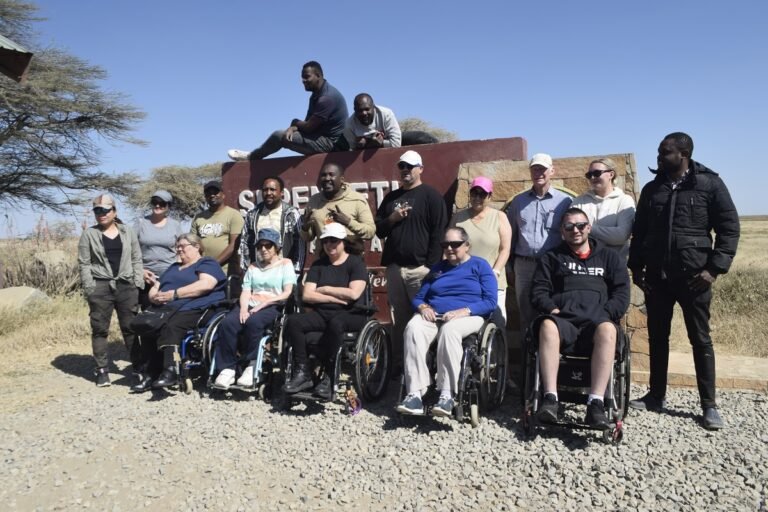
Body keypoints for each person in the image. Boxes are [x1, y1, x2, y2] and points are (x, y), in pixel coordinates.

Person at [628, 132, 740, 430]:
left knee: (700, 339)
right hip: (657, 278)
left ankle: (709, 406)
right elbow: (640, 232)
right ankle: (656, 396)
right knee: (657, 337)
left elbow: (729, 229)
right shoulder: (653, 189)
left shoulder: (709, 184)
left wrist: (714, 269)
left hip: (695, 278)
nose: (659, 157)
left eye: (665, 152)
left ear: (683, 154)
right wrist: (636, 269)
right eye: (659, 151)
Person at [530, 208, 630, 429]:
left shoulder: (608, 257)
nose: (575, 230)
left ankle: (595, 404)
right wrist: (551, 309)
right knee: (546, 325)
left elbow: (622, 292)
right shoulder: (552, 257)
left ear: (589, 228)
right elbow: (538, 291)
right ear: (562, 231)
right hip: (563, 320)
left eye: (581, 225)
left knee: (608, 329)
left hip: (596, 323)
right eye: (569, 227)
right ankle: (550, 398)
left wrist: (607, 314)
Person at [396, 227, 497, 417]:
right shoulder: (438, 268)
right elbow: (419, 298)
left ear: (467, 246)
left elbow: (490, 302)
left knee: (449, 330)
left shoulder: (480, 266)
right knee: (413, 327)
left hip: (469, 316)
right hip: (436, 316)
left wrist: (464, 311)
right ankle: (416, 393)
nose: (449, 248)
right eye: (445, 245)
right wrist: (424, 308)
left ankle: (447, 394)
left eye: (455, 244)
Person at [375, 150, 448, 374]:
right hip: (395, 269)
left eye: (410, 166)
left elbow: (439, 233)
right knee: (400, 320)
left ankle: (425, 366)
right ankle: (400, 365)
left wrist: (431, 267)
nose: (405, 170)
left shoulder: (431, 196)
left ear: (420, 169)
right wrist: (393, 218)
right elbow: (378, 229)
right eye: (402, 166)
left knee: (424, 319)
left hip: (420, 270)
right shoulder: (390, 198)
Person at [282, 223, 369, 400]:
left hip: (352, 314)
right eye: (326, 241)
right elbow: (307, 295)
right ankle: (303, 372)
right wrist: (336, 298)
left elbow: (354, 294)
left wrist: (325, 289)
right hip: (324, 312)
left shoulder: (356, 263)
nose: (330, 245)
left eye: (334, 241)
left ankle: (330, 377)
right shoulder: (318, 265)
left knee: (336, 324)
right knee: (293, 321)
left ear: (343, 242)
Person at [131, 233, 227, 392]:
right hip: (167, 308)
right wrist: (154, 297)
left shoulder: (206, 263)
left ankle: (171, 370)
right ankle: (150, 374)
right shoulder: (173, 267)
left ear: (197, 247)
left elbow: (206, 284)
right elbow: (156, 286)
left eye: (183, 246)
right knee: (148, 326)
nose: (179, 250)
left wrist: (175, 294)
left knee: (172, 325)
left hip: (198, 307)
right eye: (178, 247)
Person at [214, 228, 296, 390]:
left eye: (268, 246)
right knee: (228, 323)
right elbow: (246, 291)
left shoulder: (285, 264)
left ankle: (250, 366)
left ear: (277, 247)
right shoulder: (252, 267)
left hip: (273, 304)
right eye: (260, 246)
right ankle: (227, 369)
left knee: (254, 323)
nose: (263, 249)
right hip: (250, 303)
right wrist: (243, 308)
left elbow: (287, 292)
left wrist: (263, 304)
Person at [78, 193, 143, 387]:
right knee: (99, 329)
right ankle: (102, 370)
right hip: (100, 286)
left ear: (114, 211)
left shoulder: (127, 231)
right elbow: (84, 263)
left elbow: (136, 258)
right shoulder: (89, 234)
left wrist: (137, 282)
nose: (102, 214)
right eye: (98, 210)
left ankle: (138, 369)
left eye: (106, 210)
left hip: (126, 285)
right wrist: (90, 287)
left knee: (130, 329)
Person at [506, 153, 572, 336]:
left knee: (552, 312)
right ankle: (528, 361)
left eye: (542, 169)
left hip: (552, 265)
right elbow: (511, 236)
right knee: (525, 315)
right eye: (535, 169)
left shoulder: (565, 202)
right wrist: (509, 267)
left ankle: (547, 359)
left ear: (552, 171)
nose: (539, 173)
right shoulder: (519, 202)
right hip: (524, 265)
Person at [228, 61, 348, 160]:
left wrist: (294, 122)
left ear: (318, 76)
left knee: (280, 136)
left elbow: (308, 127)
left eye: (307, 77)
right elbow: (307, 124)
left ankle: (252, 157)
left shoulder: (326, 98)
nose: (303, 80)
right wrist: (293, 127)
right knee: (287, 134)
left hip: (332, 145)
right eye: (302, 77)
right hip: (320, 137)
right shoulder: (316, 95)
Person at [450, 176, 512, 322]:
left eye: (482, 194)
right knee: (466, 321)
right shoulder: (458, 218)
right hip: (465, 280)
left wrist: (495, 272)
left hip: (493, 281)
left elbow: (505, 249)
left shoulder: (499, 217)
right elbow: (449, 248)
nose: (477, 197)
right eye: (474, 193)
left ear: (490, 196)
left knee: (497, 322)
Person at [300, 162, 375, 255]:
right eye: (323, 175)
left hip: (351, 260)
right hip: (324, 262)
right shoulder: (314, 201)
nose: (327, 179)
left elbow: (370, 232)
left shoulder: (356, 199)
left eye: (331, 175)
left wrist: (348, 222)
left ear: (342, 179)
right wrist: (305, 228)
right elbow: (308, 238)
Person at [239, 176, 305, 275]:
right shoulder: (252, 214)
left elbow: (300, 244)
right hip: (259, 274)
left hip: (284, 273)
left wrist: (295, 273)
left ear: (281, 192)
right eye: (265, 190)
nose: (268, 193)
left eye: (272, 189)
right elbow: (244, 243)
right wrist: (246, 271)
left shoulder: (291, 214)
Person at [571, 158, 636, 259]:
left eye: (597, 173)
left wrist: (588, 228)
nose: (592, 177)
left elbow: (621, 236)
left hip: (614, 266)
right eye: (589, 175)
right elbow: (570, 232)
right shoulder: (579, 201)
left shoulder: (625, 201)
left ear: (611, 174)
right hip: (584, 265)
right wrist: (608, 233)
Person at [135, 190, 183, 309]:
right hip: (146, 276)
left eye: (162, 203)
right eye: (154, 202)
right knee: (147, 311)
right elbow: (131, 248)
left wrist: (178, 270)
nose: (157, 206)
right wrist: (140, 270)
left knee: (168, 310)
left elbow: (181, 249)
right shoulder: (141, 223)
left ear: (168, 206)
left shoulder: (175, 225)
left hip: (169, 275)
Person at [191, 180, 245, 275]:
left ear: (223, 195)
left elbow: (234, 245)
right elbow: (192, 243)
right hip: (201, 268)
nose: (212, 195)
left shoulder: (233, 215)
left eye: (215, 192)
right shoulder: (198, 217)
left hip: (225, 270)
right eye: (208, 193)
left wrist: (214, 264)